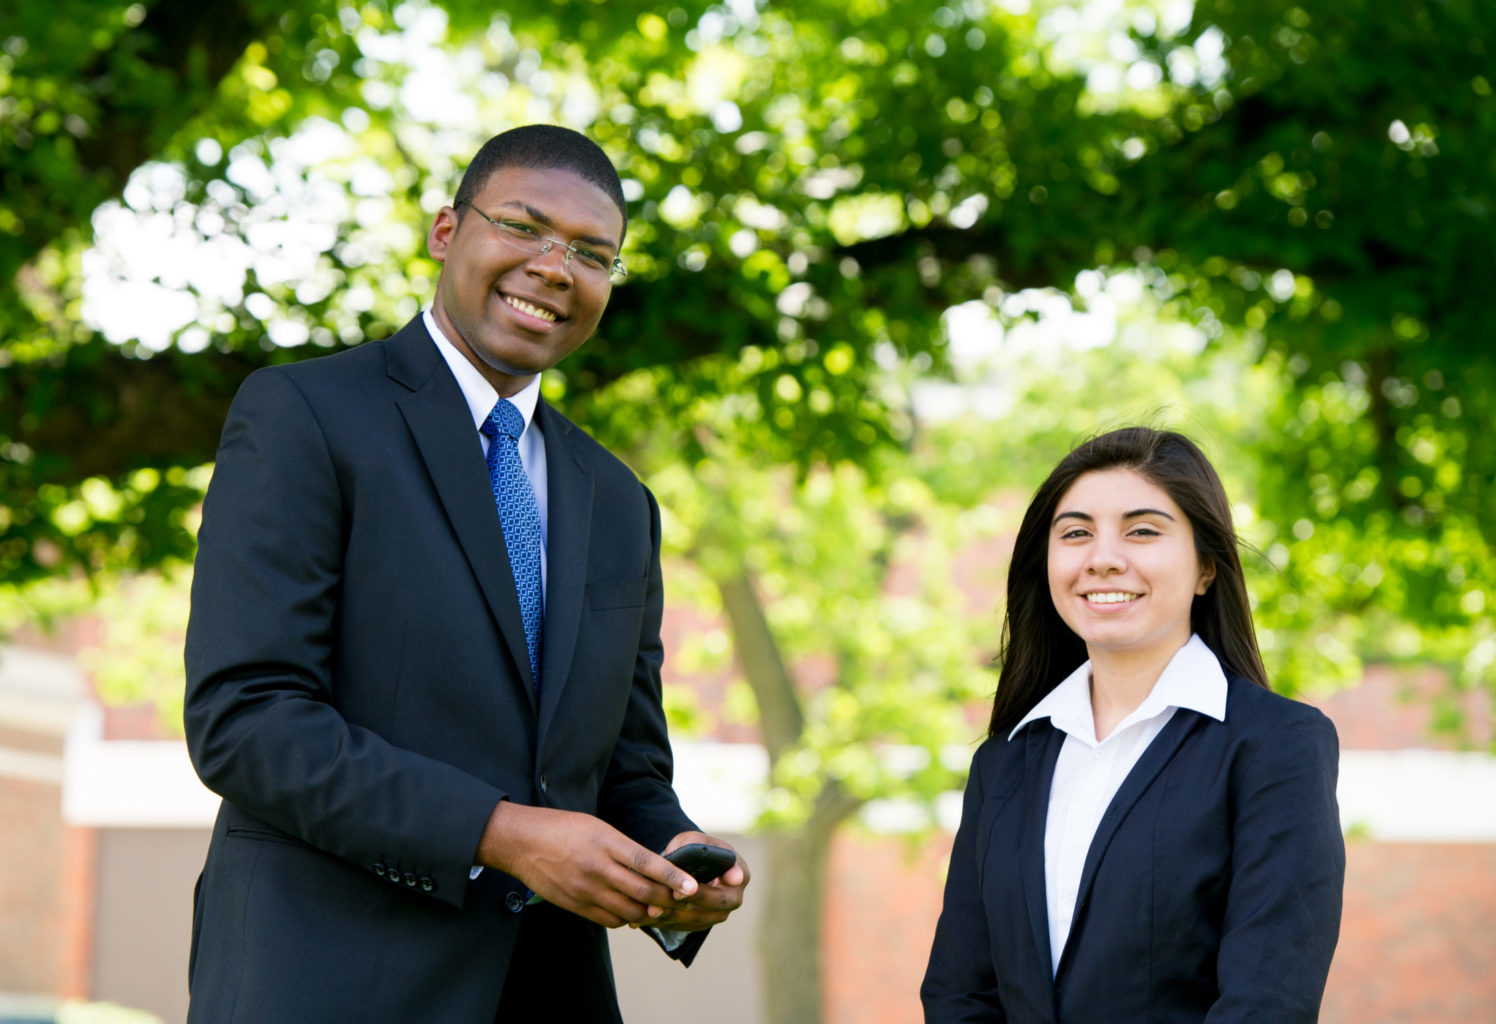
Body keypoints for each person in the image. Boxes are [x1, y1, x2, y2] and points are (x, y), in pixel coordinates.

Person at [183, 124, 748, 1023]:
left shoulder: (618, 500)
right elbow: (247, 721)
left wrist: (673, 856)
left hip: (548, 993)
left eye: (593, 254)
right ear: (448, 232)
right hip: (329, 985)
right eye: (524, 228)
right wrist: (505, 836)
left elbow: (624, 768)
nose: (556, 268)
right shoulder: (305, 416)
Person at [921, 427, 1344, 1022]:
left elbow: (1267, 1003)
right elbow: (959, 993)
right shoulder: (1005, 761)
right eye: (1075, 534)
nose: (1103, 558)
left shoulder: (1276, 745)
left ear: (1206, 568)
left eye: (1142, 530)